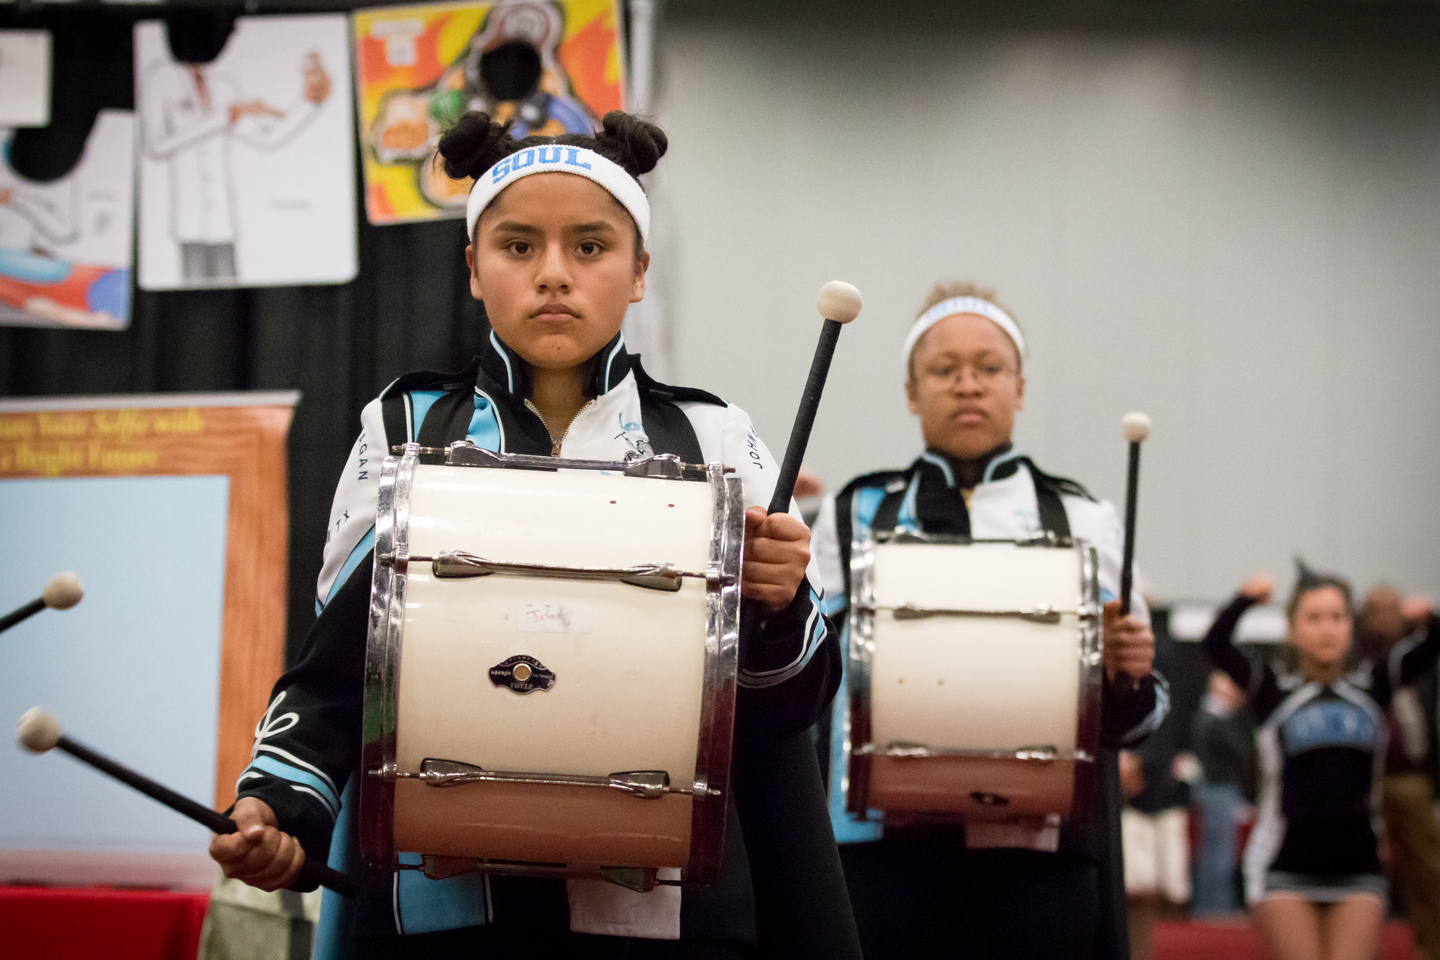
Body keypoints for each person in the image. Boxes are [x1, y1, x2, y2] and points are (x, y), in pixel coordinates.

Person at [209, 111, 848, 958]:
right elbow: (339, 670)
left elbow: (785, 714)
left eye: (590, 247)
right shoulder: (404, 430)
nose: (553, 274)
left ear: (639, 272)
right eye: (518, 247)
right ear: (474, 269)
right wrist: (276, 806)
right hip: (446, 916)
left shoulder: (716, 440)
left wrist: (777, 603)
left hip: (664, 920)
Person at [811, 282, 1169, 959]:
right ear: (912, 392)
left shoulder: (1084, 518)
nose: (968, 384)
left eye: (990, 367)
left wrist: (1128, 676)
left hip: (1038, 859)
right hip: (879, 855)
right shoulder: (850, 513)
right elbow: (811, 680)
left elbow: (1135, 722)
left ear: (1020, 387)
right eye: (944, 369)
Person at [1203, 565, 1440, 960]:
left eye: (1337, 617)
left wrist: (1427, 619)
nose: (1326, 629)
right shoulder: (1271, 690)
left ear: (1351, 626)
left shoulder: (1373, 685)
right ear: (1292, 629)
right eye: (1313, 618)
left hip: (1358, 868)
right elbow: (1216, 643)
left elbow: (1432, 646)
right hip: (1284, 867)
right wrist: (1243, 601)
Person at [1359, 585, 1440, 960]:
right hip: (1365, 779)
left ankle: (1432, 946)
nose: (1384, 615)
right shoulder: (1356, 657)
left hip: (1412, 775)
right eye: (1376, 607)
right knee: (1364, 868)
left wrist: (1429, 619)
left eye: (1392, 607)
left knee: (1427, 868)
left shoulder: (1414, 658)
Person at [1188, 669, 1257, 917]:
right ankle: (1216, 906)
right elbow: (1240, 750)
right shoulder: (1214, 718)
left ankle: (1210, 904)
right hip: (1218, 787)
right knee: (1220, 851)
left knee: (1215, 849)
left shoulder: (1207, 716)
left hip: (1216, 787)